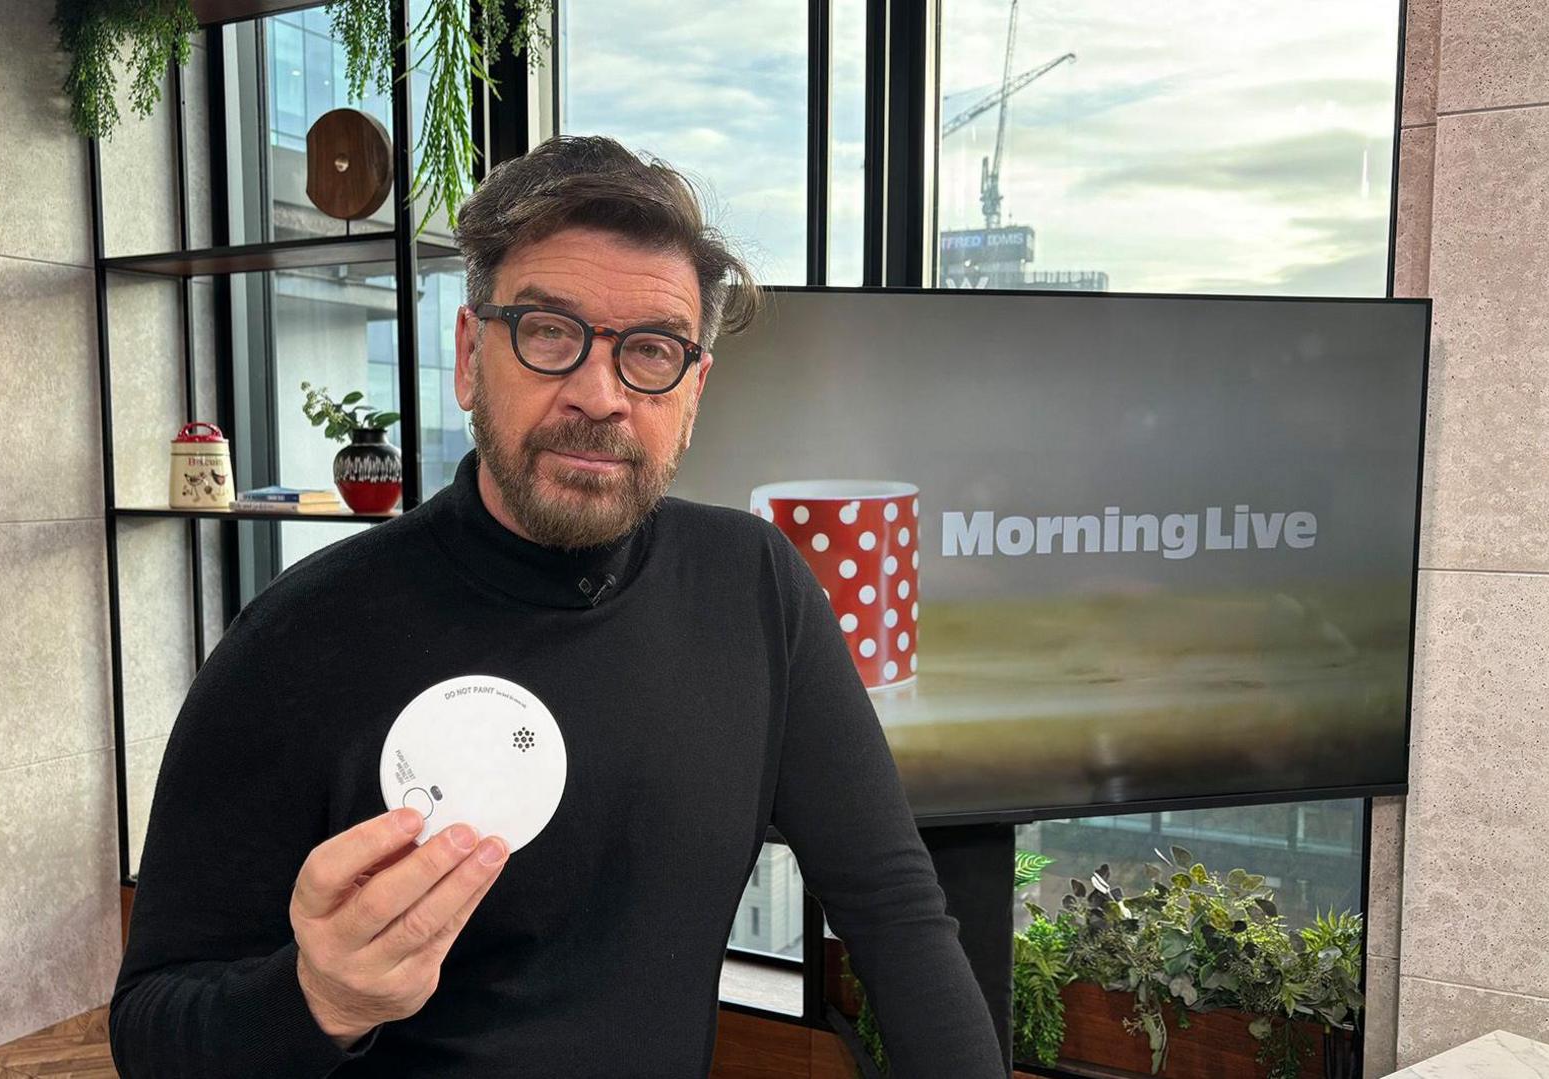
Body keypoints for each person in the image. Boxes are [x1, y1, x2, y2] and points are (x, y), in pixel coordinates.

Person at [108, 134, 1005, 1078]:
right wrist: (317, 1001)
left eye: (651, 351)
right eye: (547, 331)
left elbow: (895, 909)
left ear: (693, 393)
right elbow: (152, 1026)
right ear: (468, 355)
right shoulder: (299, 638)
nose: (598, 393)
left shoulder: (755, 588)